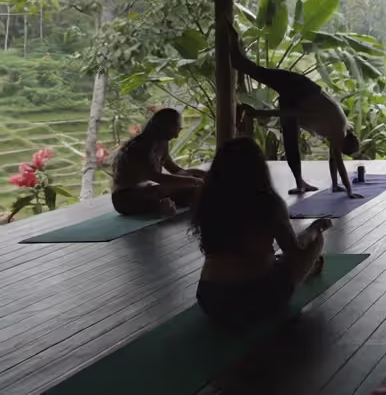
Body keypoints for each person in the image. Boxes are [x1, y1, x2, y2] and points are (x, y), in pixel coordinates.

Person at [193, 138, 331, 331]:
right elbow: (295, 253)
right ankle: (304, 267)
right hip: (252, 299)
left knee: (268, 258)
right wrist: (315, 228)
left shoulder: (209, 200)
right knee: (315, 243)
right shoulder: (269, 202)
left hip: (209, 299)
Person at [229, 27, 362, 197]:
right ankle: (234, 38)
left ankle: (300, 183)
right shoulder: (337, 130)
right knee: (248, 68)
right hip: (298, 88)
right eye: (341, 150)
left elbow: (333, 160)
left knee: (254, 71)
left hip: (299, 92)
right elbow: (339, 162)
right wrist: (350, 191)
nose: (336, 150)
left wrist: (336, 186)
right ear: (343, 144)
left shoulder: (339, 128)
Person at [110, 108, 205, 216]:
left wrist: (196, 173)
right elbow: (157, 177)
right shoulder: (140, 148)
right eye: (177, 128)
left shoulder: (163, 142)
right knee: (179, 195)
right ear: (166, 126)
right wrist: (193, 181)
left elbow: (174, 169)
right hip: (125, 197)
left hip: (147, 190)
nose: (177, 135)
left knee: (192, 189)